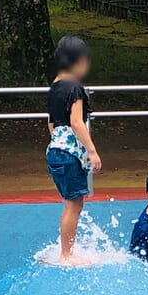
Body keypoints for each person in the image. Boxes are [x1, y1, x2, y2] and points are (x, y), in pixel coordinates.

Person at [46, 35, 102, 265]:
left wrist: (59, 144)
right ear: (78, 61)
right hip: (69, 154)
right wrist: (92, 151)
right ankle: (67, 254)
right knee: (74, 204)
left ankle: (66, 249)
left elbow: (50, 122)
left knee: (71, 202)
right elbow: (77, 122)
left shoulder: (56, 85)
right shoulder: (75, 88)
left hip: (55, 151)